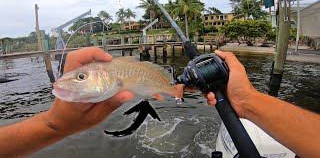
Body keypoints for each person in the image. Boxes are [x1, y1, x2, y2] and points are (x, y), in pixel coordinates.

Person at [0, 47, 319, 157]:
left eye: (83, 78)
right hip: (150, 85)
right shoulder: (111, 80)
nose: (77, 80)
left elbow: (148, 84)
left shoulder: (118, 79)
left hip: (154, 84)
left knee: (165, 90)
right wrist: (53, 124)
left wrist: (52, 126)